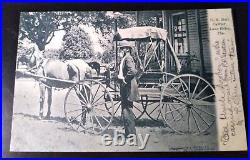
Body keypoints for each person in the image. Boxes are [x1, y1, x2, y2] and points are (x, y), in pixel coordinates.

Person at [118, 43, 140, 138]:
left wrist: (125, 80)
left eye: (122, 48)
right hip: (127, 87)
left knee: (127, 110)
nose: (121, 50)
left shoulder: (128, 58)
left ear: (127, 49)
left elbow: (133, 71)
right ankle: (129, 132)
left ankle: (131, 134)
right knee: (126, 109)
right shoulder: (126, 58)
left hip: (128, 87)